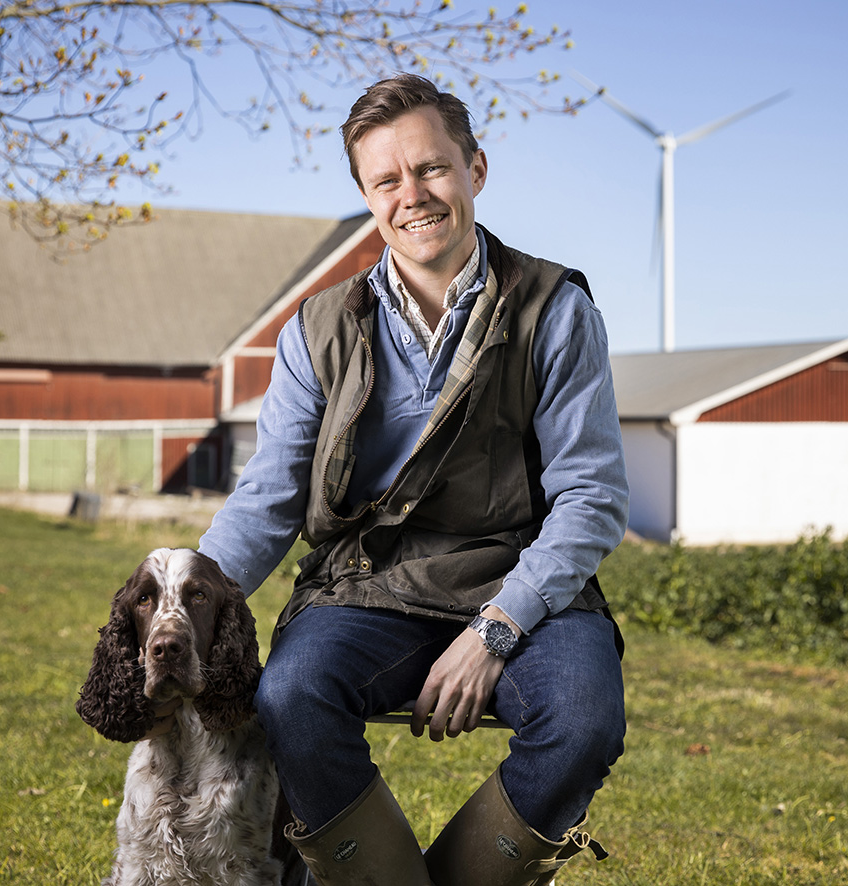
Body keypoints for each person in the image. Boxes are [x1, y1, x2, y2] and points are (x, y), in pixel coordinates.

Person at [195, 73, 629, 886]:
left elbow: (590, 497)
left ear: (475, 170)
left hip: (525, 581)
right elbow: (271, 493)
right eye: (386, 180)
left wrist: (495, 631)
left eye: (431, 169)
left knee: (583, 719)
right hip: (369, 585)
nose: (413, 196)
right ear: (366, 195)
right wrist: (192, 597)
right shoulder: (317, 328)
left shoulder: (554, 309)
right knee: (290, 695)